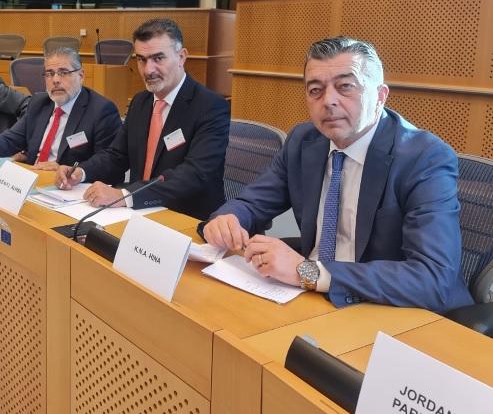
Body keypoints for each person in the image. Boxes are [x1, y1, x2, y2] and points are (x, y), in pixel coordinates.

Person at [200, 36, 472, 313]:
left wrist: (307, 272)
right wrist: (229, 219)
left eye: (345, 87)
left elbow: (433, 278)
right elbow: (253, 202)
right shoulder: (303, 140)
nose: (328, 101)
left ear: (380, 96)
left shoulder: (424, 157)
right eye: (315, 90)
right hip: (314, 298)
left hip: (392, 308)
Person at [55, 18, 230, 220]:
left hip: (185, 217)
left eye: (158, 58)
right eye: (142, 59)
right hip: (137, 213)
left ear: (181, 57)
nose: (148, 70)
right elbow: (117, 155)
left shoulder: (210, 106)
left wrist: (125, 195)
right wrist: (81, 171)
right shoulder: (141, 102)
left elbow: (194, 174)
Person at [0, 47, 121, 171]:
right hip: (32, 179)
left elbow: (110, 162)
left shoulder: (101, 110)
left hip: (70, 190)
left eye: (63, 73)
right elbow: (11, 138)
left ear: (81, 75)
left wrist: (70, 171)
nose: (55, 80)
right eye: (49, 73)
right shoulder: (39, 103)